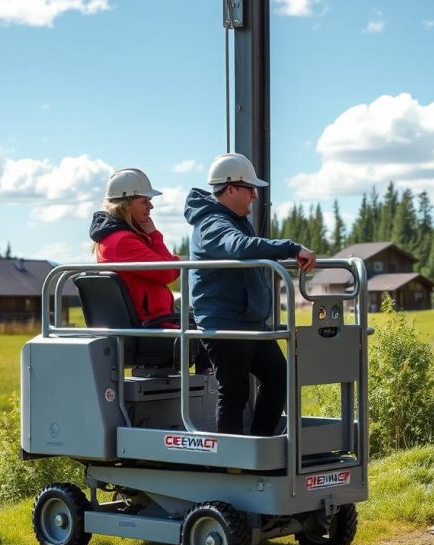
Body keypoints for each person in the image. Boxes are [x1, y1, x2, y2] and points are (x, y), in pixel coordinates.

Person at [184, 152, 316, 436]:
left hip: (247, 322)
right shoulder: (212, 224)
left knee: (279, 379)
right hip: (225, 325)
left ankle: (258, 446)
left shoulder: (231, 218)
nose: (255, 195)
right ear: (231, 189)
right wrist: (291, 248)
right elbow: (239, 247)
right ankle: (231, 462)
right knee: (234, 392)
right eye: (250, 188)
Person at [89, 167, 211, 372]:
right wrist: (154, 234)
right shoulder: (123, 240)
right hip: (152, 325)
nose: (150, 206)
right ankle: (217, 392)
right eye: (144, 201)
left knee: (199, 320)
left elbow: (164, 266)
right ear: (126, 206)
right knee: (211, 325)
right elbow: (168, 272)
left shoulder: (114, 238)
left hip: (147, 323)